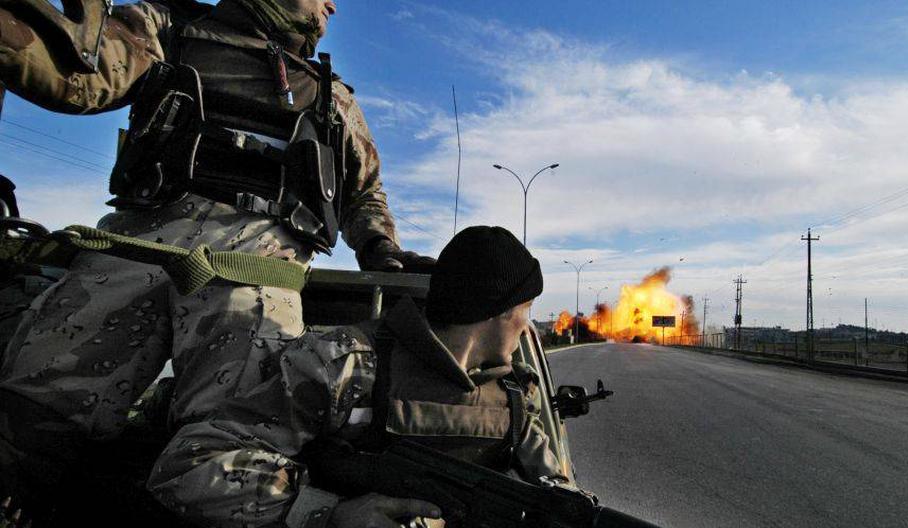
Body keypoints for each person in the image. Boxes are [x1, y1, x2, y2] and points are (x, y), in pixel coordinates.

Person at [0, 0, 434, 507]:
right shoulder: (170, 33)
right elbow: (86, 74)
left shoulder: (332, 98)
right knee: (27, 419)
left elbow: (364, 192)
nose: (332, 6)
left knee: (231, 457)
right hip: (133, 251)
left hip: (255, 273)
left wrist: (382, 249)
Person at [148, 226, 567, 528]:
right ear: (499, 311)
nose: (528, 326)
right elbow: (188, 465)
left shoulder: (513, 391)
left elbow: (556, 492)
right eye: (527, 307)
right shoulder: (346, 364)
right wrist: (328, 512)